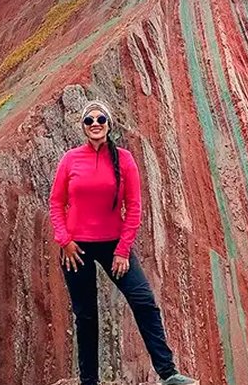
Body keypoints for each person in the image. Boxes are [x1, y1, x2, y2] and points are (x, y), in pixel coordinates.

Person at [49, 100, 197, 385]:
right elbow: (56, 203)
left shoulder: (124, 159)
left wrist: (123, 250)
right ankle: (89, 380)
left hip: (113, 244)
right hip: (75, 248)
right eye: (89, 120)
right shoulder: (70, 159)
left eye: (100, 119)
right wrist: (64, 240)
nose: (95, 124)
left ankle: (167, 373)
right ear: (83, 126)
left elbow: (134, 206)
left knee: (144, 301)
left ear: (109, 123)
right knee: (86, 315)